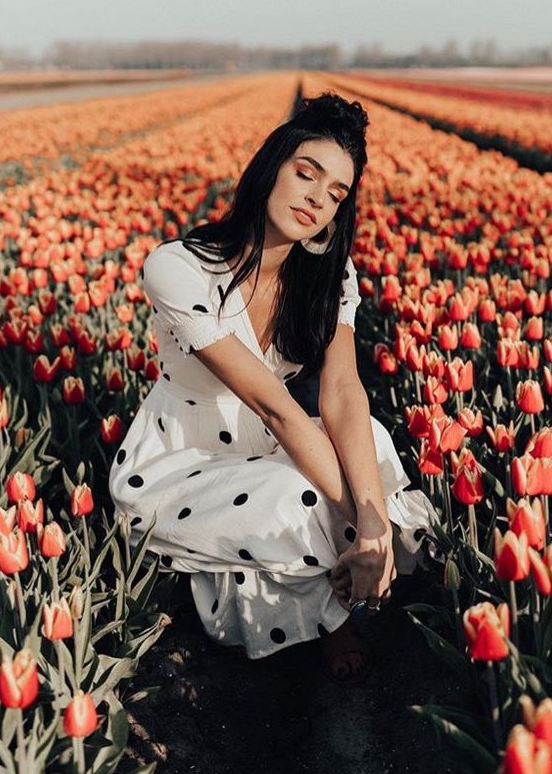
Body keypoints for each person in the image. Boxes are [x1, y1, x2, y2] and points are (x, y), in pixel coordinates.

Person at [109, 92, 440, 686]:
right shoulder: (180, 268)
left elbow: (342, 392)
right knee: (301, 493)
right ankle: (335, 612)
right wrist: (369, 524)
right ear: (270, 167)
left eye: (336, 193)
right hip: (188, 459)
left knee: (375, 446)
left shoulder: (330, 275)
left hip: (269, 440)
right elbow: (278, 405)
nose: (317, 197)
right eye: (306, 173)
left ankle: (346, 563)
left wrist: (372, 517)